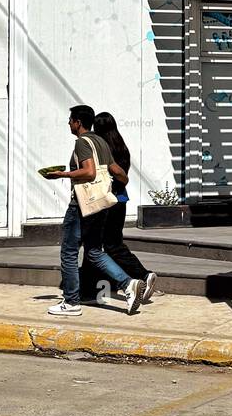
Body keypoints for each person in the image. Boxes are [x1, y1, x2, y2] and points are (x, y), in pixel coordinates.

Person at [43, 105, 143, 318]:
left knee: (69, 252)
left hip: (81, 204)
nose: (69, 124)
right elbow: (118, 171)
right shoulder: (102, 141)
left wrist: (62, 174)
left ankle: (71, 302)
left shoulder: (82, 142)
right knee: (94, 251)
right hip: (101, 205)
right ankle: (128, 284)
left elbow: (88, 172)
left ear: (78, 122)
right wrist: (119, 183)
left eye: (71, 120)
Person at [80, 112, 157, 305]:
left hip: (105, 202)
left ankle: (92, 290)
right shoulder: (122, 147)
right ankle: (141, 276)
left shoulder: (101, 149)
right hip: (121, 200)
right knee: (113, 243)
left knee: (96, 245)